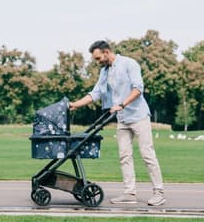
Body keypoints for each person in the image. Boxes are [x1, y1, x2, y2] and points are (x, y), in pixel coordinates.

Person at [69, 40, 166, 206]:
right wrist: (75, 105)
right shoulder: (104, 72)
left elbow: (138, 88)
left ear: (107, 52)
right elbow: (96, 93)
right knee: (124, 156)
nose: (97, 62)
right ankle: (129, 193)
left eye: (99, 58)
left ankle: (159, 193)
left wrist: (122, 104)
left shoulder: (129, 64)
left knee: (147, 154)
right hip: (122, 119)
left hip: (138, 116)